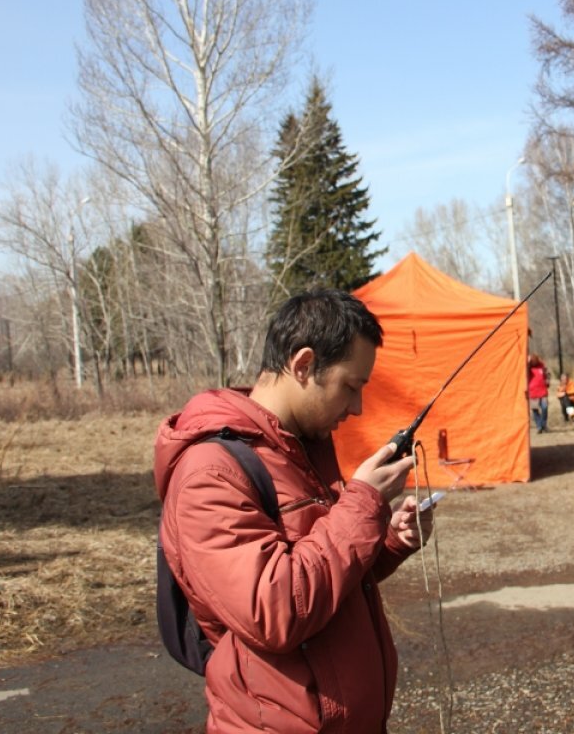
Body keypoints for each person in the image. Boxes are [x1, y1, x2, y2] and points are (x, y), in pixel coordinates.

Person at [155, 288, 432, 733]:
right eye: (350, 387)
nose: (357, 408)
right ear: (303, 365)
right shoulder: (210, 472)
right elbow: (274, 609)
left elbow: (328, 577)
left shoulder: (303, 448)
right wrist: (363, 503)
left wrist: (391, 538)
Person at [527, 353, 550, 434]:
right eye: (532, 361)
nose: (534, 362)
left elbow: (547, 374)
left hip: (543, 391)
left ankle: (544, 424)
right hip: (533, 392)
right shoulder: (528, 368)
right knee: (535, 410)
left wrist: (547, 380)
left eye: (535, 360)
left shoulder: (542, 366)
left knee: (545, 407)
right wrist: (528, 362)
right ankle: (539, 426)